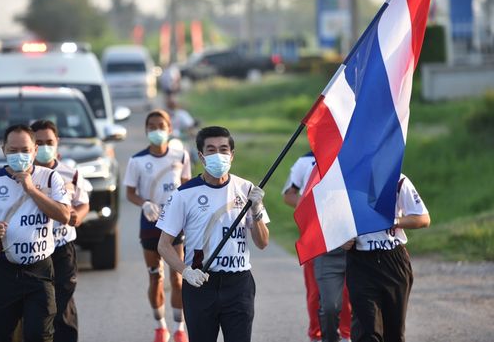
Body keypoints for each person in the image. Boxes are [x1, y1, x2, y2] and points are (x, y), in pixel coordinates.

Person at [157, 125, 270, 342]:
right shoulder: (184, 194)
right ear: (201, 155)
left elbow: (263, 242)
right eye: (211, 150)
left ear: (232, 155)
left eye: (223, 149)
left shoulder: (246, 189)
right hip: (200, 283)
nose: (218, 154)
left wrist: (256, 210)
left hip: (239, 285)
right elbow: (164, 245)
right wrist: (185, 271)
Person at [0, 124, 71, 342]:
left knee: (39, 335)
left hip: (40, 271)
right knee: (5, 337)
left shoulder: (50, 179)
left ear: (34, 150)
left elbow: (64, 215)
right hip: (4, 272)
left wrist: (31, 189)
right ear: (3, 150)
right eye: (12, 151)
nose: (18, 155)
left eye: (24, 150)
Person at [124, 109, 192, 342]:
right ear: (146, 130)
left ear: (170, 129)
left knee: (177, 277)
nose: (156, 130)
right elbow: (130, 193)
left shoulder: (181, 156)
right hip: (150, 223)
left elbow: (187, 189)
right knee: (155, 277)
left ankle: (179, 328)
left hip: (175, 224)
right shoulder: (137, 160)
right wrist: (144, 204)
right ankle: (160, 326)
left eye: (161, 126)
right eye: (151, 126)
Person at [342, 174, 430, 342]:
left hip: (394, 261)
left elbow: (423, 218)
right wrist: (341, 239)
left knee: (394, 334)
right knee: (367, 333)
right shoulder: (344, 179)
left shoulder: (398, 179)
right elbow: (332, 221)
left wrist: (392, 220)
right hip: (360, 262)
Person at [31, 119, 91, 342]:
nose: (45, 147)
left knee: (63, 302)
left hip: (62, 247)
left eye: (49, 141)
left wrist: (78, 215)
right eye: (39, 142)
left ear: (58, 143)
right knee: (41, 304)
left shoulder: (71, 174)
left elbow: (83, 203)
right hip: (34, 251)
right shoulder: (25, 176)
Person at [283, 152, 352, 342]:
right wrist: (312, 205)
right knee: (316, 291)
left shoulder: (353, 154)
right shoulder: (304, 161)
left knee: (348, 291)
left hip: (348, 235)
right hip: (316, 235)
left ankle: (346, 334)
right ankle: (316, 334)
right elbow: (289, 195)